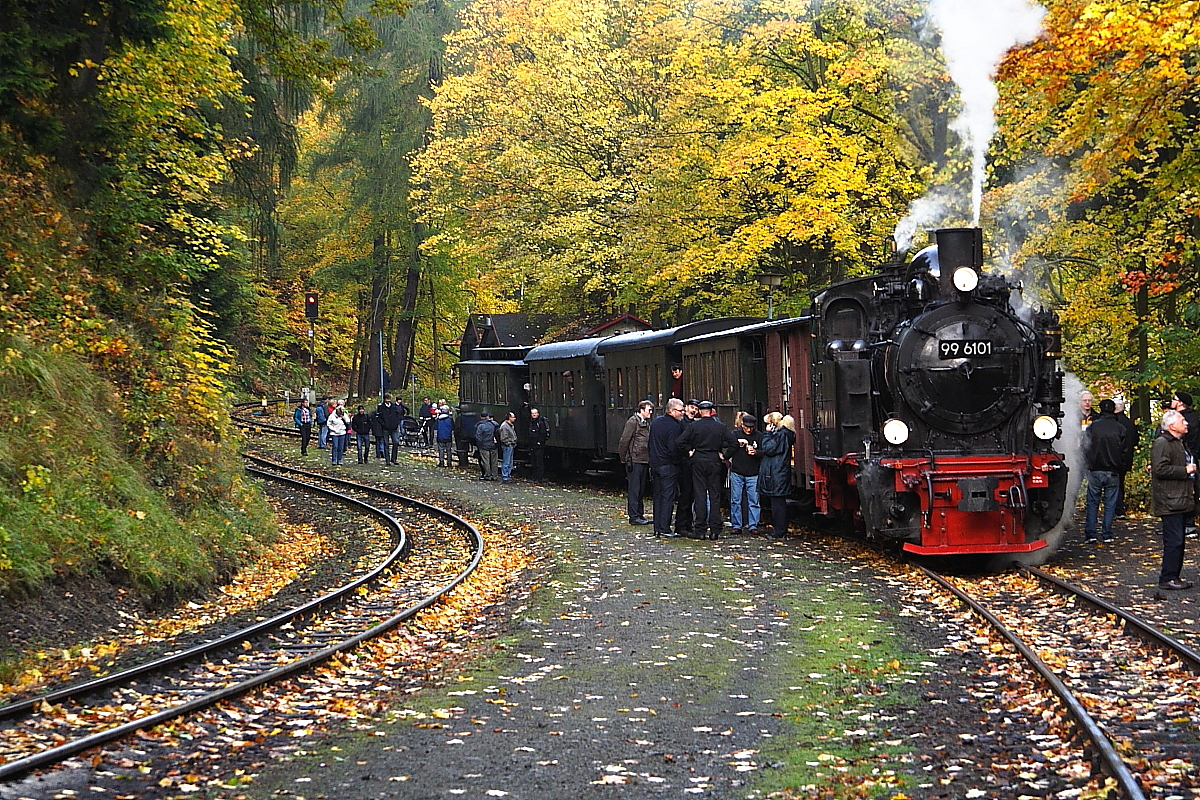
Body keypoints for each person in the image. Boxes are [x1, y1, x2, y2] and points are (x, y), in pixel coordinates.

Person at [677, 400, 740, 540]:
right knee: (715, 495)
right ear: (711, 411)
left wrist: (689, 452)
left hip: (698, 460)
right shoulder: (720, 426)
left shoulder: (694, 426)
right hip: (714, 460)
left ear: (700, 411)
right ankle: (715, 530)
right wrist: (725, 456)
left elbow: (680, 442)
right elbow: (734, 443)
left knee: (699, 495)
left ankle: (700, 529)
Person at [1151, 409, 1195, 590]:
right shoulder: (1163, 443)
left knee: (1179, 541)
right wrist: (1184, 471)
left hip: (1180, 498)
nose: (1186, 423)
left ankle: (1173, 576)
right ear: (1172, 426)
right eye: (1182, 420)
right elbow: (1159, 469)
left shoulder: (1179, 442)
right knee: (1174, 541)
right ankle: (1167, 577)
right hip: (1170, 500)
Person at [1082, 399, 1127, 544]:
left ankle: (1091, 533)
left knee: (1092, 502)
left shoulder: (1092, 427)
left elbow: (1085, 447)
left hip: (1095, 470)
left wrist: (1088, 464)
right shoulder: (1120, 428)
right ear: (1114, 410)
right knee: (1110, 503)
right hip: (1113, 470)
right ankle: (1106, 533)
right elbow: (1125, 451)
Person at [649, 399, 685, 538]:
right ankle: (664, 528)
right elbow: (672, 448)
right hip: (668, 465)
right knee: (668, 497)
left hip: (656, 464)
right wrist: (678, 461)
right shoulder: (674, 426)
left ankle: (657, 527)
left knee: (658, 497)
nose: (682, 413)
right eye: (680, 411)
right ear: (672, 411)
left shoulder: (657, 422)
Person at [758, 412, 795, 540]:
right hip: (779, 473)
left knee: (777, 505)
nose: (767, 426)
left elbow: (768, 448)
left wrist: (767, 434)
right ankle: (780, 530)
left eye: (768, 424)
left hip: (777, 474)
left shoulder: (780, 436)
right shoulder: (785, 435)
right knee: (778, 503)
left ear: (773, 425)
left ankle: (779, 532)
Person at [725, 412, 763, 535]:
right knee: (735, 500)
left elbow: (764, 452)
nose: (748, 429)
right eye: (746, 427)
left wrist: (756, 452)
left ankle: (753, 525)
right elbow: (727, 447)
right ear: (742, 425)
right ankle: (737, 525)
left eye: (751, 427)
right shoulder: (735, 434)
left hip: (753, 472)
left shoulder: (759, 436)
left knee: (754, 500)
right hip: (737, 472)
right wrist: (736, 444)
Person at [619, 401, 654, 525]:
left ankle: (639, 514)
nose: (650, 413)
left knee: (640, 489)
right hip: (635, 459)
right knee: (635, 489)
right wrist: (624, 458)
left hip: (643, 459)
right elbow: (624, 440)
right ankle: (634, 516)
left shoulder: (645, 423)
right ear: (641, 410)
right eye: (649, 410)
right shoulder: (633, 422)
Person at [674, 399, 700, 537]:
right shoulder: (681, 423)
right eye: (692, 407)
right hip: (684, 463)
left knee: (690, 496)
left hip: (691, 463)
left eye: (696, 408)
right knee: (685, 495)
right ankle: (681, 525)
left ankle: (687, 524)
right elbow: (678, 442)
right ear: (686, 408)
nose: (693, 410)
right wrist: (688, 451)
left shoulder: (693, 423)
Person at [1113, 398, 1138, 518]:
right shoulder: (1130, 423)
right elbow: (1135, 440)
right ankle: (1119, 508)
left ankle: (1117, 509)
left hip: (1115, 458)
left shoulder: (1115, 423)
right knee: (1120, 483)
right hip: (1127, 458)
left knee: (1114, 485)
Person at [376, 394, 403, 465]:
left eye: (389, 399)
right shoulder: (381, 407)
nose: (388, 400)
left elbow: (397, 415)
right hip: (386, 428)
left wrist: (396, 423)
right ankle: (387, 460)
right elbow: (378, 417)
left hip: (394, 428)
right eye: (387, 399)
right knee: (386, 444)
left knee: (396, 442)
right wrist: (384, 424)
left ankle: (394, 459)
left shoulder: (393, 407)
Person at [475, 411, 500, 481]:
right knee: (494, 461)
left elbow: (478, 436)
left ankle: (487, 475)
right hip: (493, 445)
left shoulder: (480, 426)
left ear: (481, 417)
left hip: (484, 446)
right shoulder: (494, 424)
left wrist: (480, 445)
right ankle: (494, 475)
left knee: (486, 461)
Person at [327, 400, 351, 466]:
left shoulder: (344, 415)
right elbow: (328, 423)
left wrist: (344, 418)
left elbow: (348, 421)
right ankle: (334, 460)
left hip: (342, 432)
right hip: (334, 433)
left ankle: (339, 459)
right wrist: (333, 429)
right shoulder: (332, 416)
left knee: (340, 447)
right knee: (335, 446)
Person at [528, 408, 550, 481]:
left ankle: (539, 477)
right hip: (533, 445)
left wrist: (539, 442)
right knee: (534, 462)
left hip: (539, 445)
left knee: (539, 462)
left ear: (537, 414)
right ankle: (534, 477)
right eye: (532, 413)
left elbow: (543, 433)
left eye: (535, 413)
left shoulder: (540, 422)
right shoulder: (531, 422)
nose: (534, 415)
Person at [498, 411, 518, 482]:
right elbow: (503, 438)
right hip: (507, 446)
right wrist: (509, 443)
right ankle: (505, 477)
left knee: (509, 462)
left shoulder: (510, 425)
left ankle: (508, 475)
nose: (514, 418)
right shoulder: (504, 426)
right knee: (506, 462)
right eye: (513, 417)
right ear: (509, 418)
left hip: (511, 445)